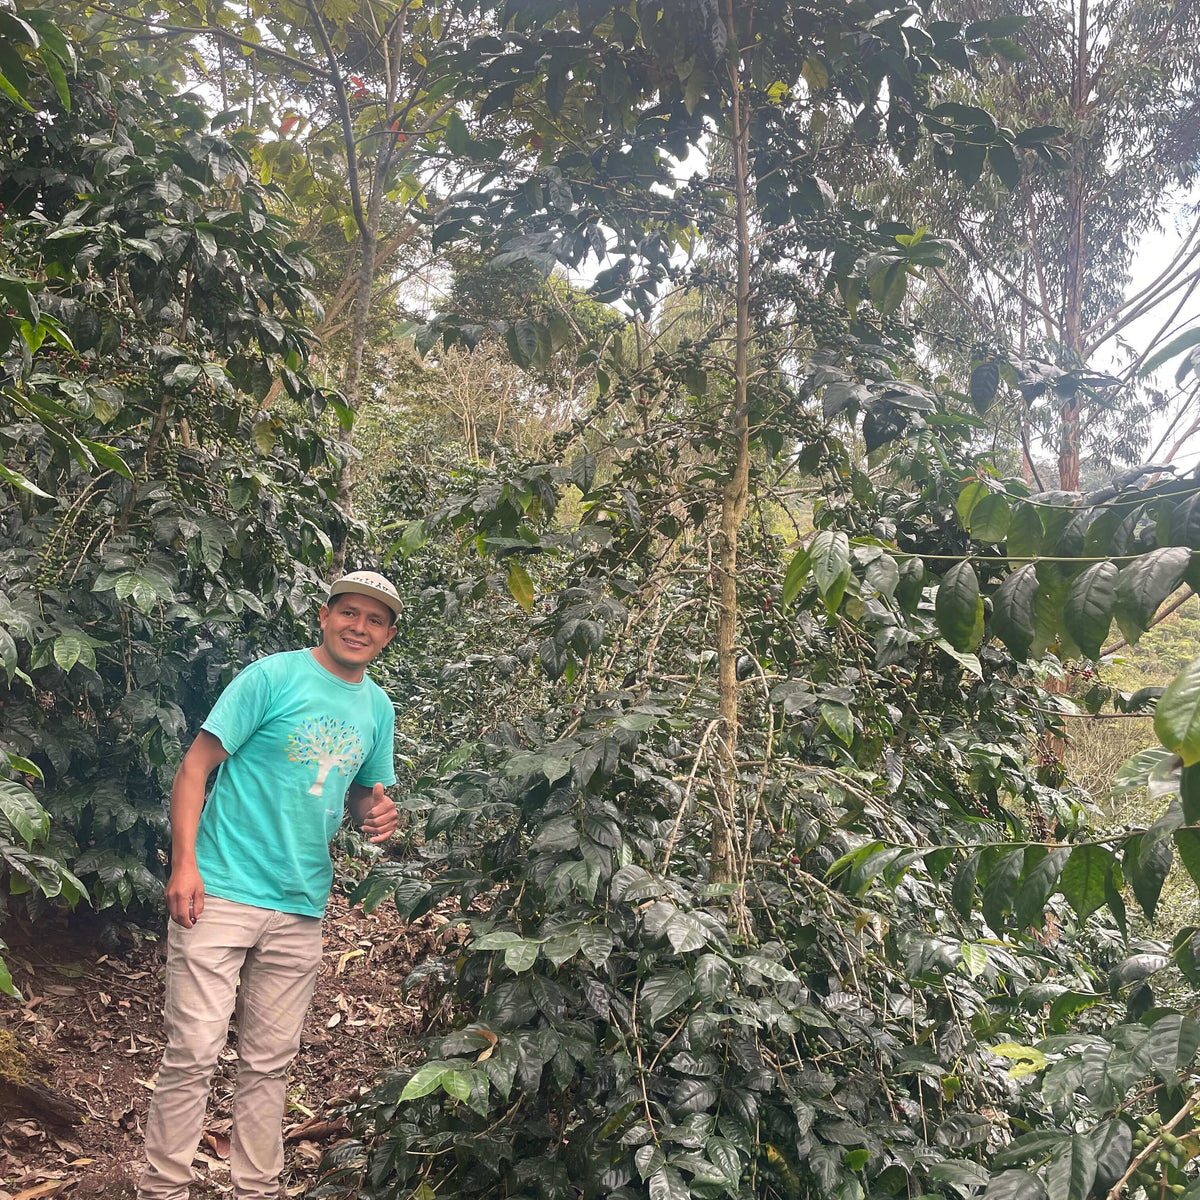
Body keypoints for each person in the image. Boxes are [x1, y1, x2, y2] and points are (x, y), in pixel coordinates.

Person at [136, 571, 402, 1200]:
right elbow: (195, 769)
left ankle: (255, 1189)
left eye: (375, 620)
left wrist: (376, 817)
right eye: (349, 613)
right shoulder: (271, 678)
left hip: (301, 905)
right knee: (194, 1052)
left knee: (268, 1064)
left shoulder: (378, 707)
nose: (358, 627)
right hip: (221, 890)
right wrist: (184, 865)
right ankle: (163, 1189)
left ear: (388, 635)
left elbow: (364, 795)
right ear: (324, 615)